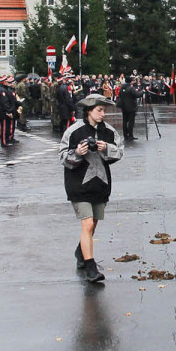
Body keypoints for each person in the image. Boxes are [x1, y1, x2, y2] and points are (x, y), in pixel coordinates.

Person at [60, 94, 124, 283]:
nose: (103, 114)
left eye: (104, 110)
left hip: (101, 185)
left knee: (93, 223)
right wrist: (77, 153)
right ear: (89, 111)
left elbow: (119, 152)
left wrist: (106, 148)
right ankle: (90, 267)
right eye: (99, 110)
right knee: (87, 224)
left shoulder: (109, 131)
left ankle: (81, 252)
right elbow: (62, 156)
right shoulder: (74, 131)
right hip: (78, 185)